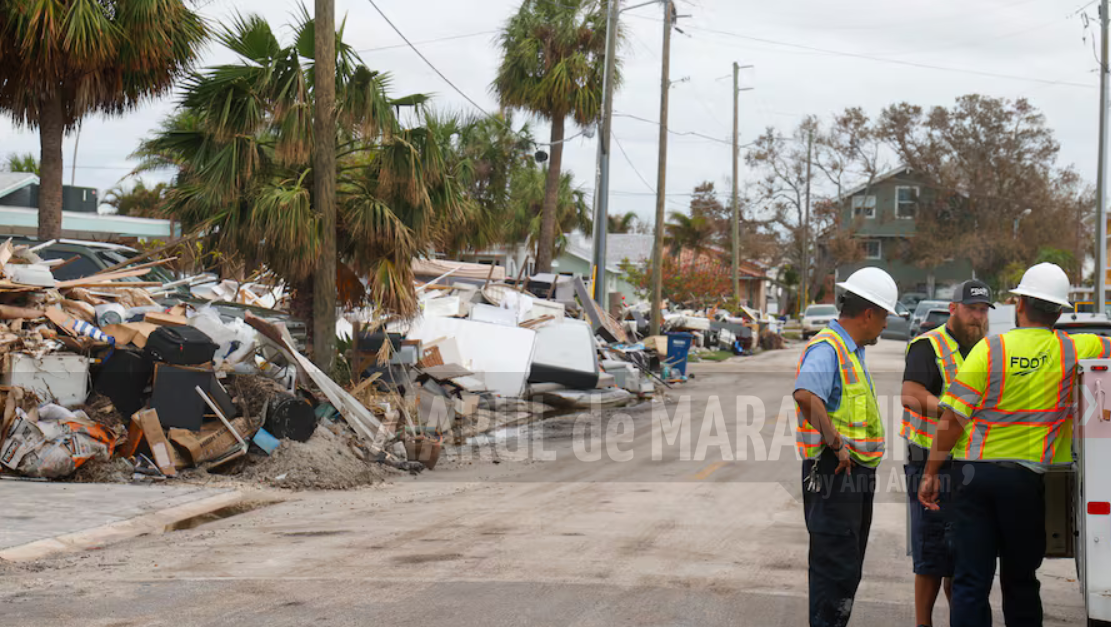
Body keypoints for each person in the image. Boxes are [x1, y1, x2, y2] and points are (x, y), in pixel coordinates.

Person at [919, 263, 1111, 627]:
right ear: (1059, 311)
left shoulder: (989, 350)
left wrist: (930, 472)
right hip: (1025, 482)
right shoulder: (1074, 349)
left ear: (1019, 304)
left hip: (974, 478)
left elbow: (953, 418)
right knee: (1021, 581)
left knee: (971, 580)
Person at [793, 266, 898, 627]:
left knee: (846, 569)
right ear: (868, 314)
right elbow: (806, 395)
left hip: (850, 479)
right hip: (834, 476)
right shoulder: (829, 348)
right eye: (884, 316)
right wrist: (836, 443)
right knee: (835, 573)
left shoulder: (849, 349)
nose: (886, 325)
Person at [901, 280, 993, 627]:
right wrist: (949, 409)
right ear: (953, 309)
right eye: (972, 309)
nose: (978, 317)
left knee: (964, 557)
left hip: (972, 464)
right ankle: (923, 623)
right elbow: (910, 394)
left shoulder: (986, 348)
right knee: (932, 556)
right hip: (930, 464)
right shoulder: (929, 346)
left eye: (984, 311)